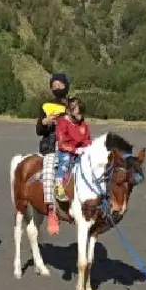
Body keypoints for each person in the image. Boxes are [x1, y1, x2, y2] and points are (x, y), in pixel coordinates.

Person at [36, 73, 70, 235]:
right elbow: (38, 130)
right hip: (51, 147)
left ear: (66, 85)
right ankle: (51, 211)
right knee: (49, 171)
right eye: (53, 86)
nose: (56, 88)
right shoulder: (46, 105)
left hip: (70, 146)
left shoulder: (73, 104)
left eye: (59, 85)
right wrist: (45, 122)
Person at [52, 97, 92, 229]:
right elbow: (62, 142)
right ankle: (58, 185)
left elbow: (87, 139)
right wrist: (75, 150)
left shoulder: (83, 125)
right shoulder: (62, 123)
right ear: (70, 111)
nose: (80, 116)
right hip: (66, 151)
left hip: (81, 151)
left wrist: (87, 148)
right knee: (65, 162)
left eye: (81, 113)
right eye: (77, 113)